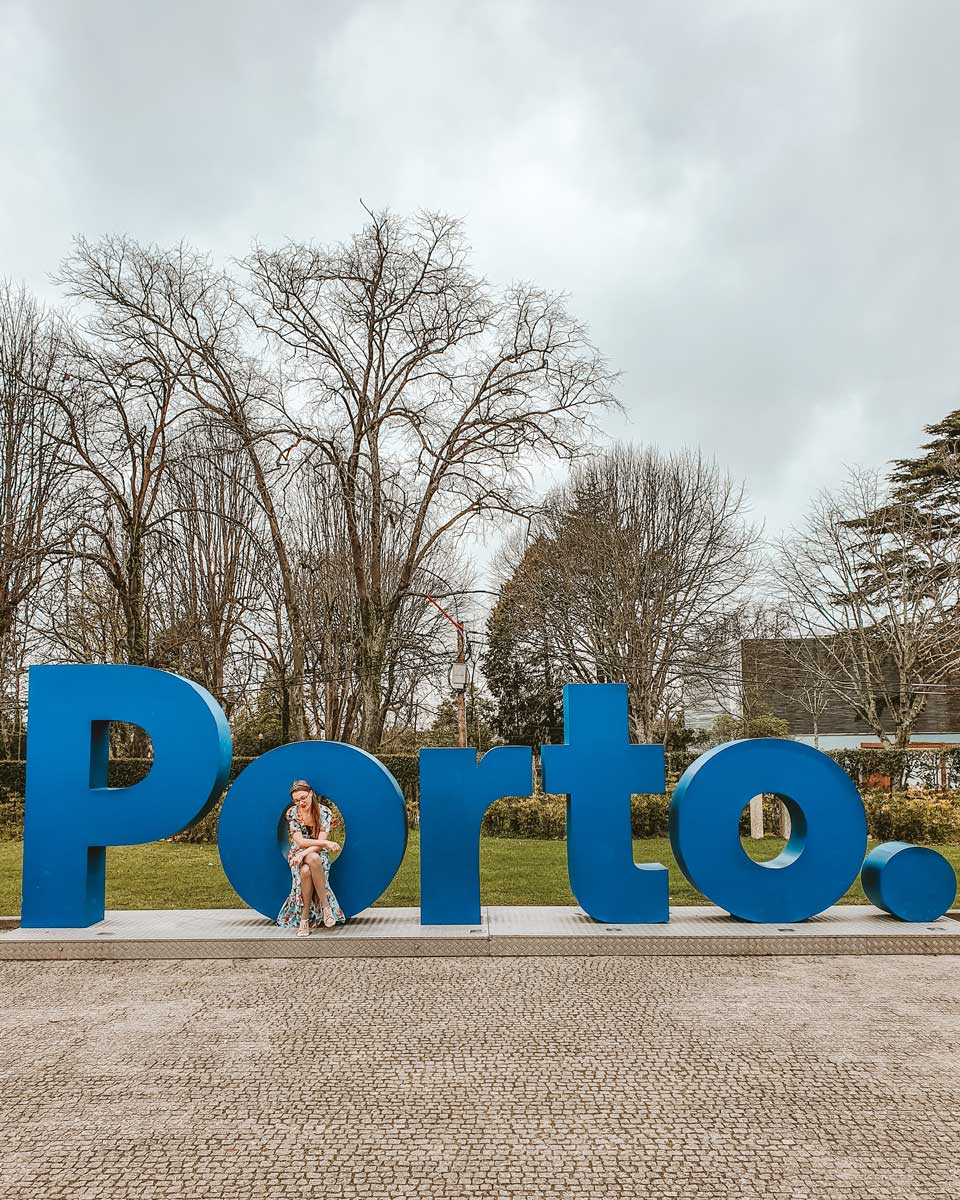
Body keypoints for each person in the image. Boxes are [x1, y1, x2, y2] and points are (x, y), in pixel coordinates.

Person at [277, 780, 346, 936]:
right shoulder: (292, 813)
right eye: (296, 800)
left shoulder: (324, 812)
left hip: (315, 852)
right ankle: (325, 907)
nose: (300, 803)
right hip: (296, 853)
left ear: (311, 794)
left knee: (310, 864)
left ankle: (305, 919)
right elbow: (300, 842)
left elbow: (317, 847)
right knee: (310, 861)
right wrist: (326, 842)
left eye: (303, 798)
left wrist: (304, 853)